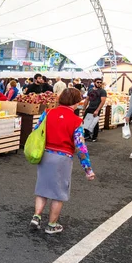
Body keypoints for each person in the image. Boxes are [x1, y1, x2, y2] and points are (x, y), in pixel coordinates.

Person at [30, 88, 95, 234]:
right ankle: (52, 225)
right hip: (63, 158)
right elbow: (80, 146)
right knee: (58, 193)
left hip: (45, 154)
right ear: (77, 102)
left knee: (42, 188)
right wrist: (88, 169)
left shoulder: (47, 112)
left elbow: (36, 130)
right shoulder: (76, 120)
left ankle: (37, 216)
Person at [81, 77, 107, 143]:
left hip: (96, 108)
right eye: (98, 82)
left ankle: (94, 137)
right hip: (89, 107)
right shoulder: (90, 90)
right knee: (85, 121)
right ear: (94, 82)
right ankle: (87, 135)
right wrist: (84, 109)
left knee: (94, 123)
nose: (99, 84)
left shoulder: (102, 91)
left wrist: (97, 110)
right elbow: (87, 99)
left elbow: (102, 101)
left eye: (100, 83)